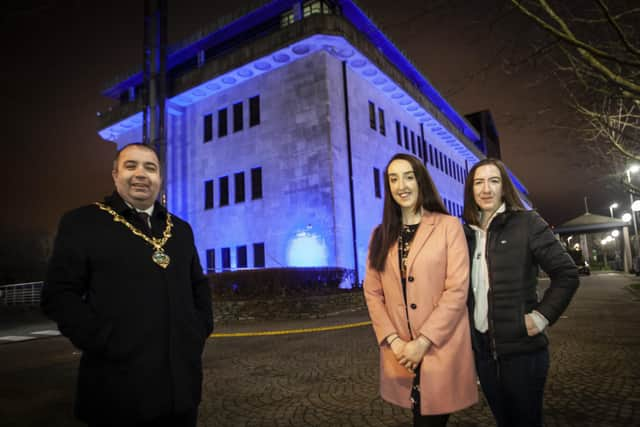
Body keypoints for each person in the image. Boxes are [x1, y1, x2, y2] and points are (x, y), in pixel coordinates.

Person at [42, 143, 213, 427]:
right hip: (116, 389)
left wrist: (199, 328)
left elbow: (198, 284)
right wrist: (103, 340)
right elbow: (59, 294)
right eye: (130, 166)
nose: (141, 174)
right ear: (115, 175)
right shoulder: (84, 222)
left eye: (150, 167)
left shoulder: (180, 229)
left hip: (180, 389)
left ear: (159, 177)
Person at [462, 158, 579, 427]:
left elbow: (567, 274)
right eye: (478, 182)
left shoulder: (527, 223)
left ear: (504, 187)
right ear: (470, 190)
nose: (486, 189)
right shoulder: (466, 235)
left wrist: (540, 317)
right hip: (485, 356)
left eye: (494, 181)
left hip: (523, 355)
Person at [364, 153, 478, 427]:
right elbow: (372, 293)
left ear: (421, 181)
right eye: (393, 179)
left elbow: (457, 290)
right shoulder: (380, 234)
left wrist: (423, 342)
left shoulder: (448, 226)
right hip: (401, 351)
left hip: (438, 347)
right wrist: (395, 342)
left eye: (408, 176)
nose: (401, 185)